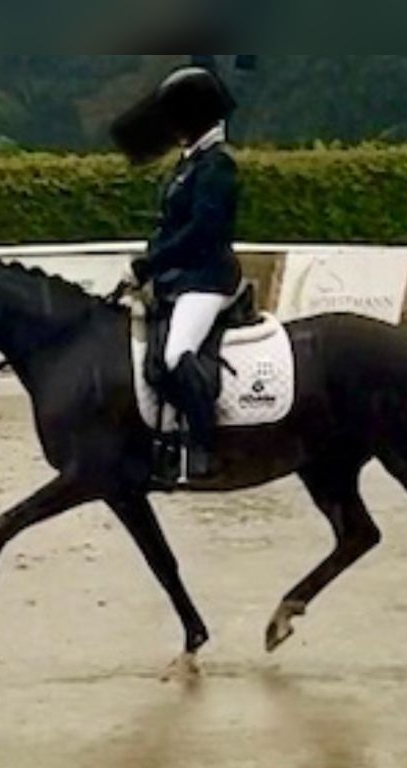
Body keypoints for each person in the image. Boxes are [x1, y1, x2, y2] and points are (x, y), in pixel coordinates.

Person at [111, 66, 242, 480]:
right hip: (180, 278)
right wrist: (145, 261)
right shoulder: (189, 164)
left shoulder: (217, 166)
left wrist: (150, 263)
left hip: (207, 279)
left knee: (175, 353)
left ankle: (206, 446)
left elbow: (202, 232)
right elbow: (170, 226)